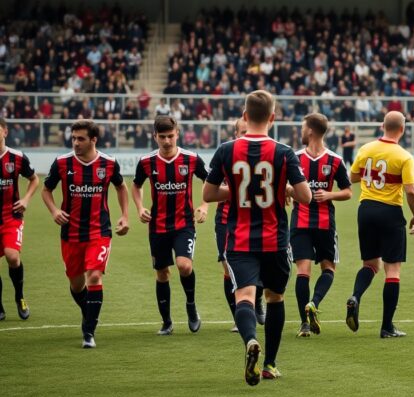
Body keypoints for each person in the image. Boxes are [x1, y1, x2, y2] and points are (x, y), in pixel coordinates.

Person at [203, 90, 311, 385]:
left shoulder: (226, 150)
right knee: (275, 297)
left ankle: (250, 339)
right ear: (273, 118)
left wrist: (239, 192)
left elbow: (208, 193)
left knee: (245, 298)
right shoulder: (284, 152)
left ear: (245, 116)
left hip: (238, 239)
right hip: (275, 238)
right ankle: (270, 364)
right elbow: (306, 196)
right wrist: (285, 189)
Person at [41, 120, 130, 348]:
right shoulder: (62, 163)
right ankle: (88, 311)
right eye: (73, 138)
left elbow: (121, 186)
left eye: (80, 139)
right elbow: (46, 189)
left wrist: (124, 215)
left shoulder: (108, 163)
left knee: (94, 277)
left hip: (99, 231)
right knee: (76, 284)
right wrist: (54, 211)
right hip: (70, 234)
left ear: (93, 140)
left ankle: (88, 332)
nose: (75, 143)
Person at [131, 116, 209, 336]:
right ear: (155, 136)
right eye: (162, 136)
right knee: (162, 273)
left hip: (184, 224)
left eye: (170, 136)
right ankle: (166, 321)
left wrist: (204, 205)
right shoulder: (147, 162)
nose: (166, 141)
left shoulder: (191, 158)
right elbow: (136, 186)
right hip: (157, 226)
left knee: (184, 265)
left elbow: (209, 181)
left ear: (178, 133)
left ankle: (191, 306)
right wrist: (139, 208)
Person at [345, 111, 414, 338]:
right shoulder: (404, 156)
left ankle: (356, 296)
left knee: (370, 264)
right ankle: (387, 326)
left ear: (382, 126)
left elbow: (353, 176)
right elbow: (411, 191)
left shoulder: (366, 149)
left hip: (366, 209)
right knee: (392, 270)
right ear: (403, 129)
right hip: (390, 211)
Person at [291, 113, 352, 337]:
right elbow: (287, 187)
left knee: (303, 271)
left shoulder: (334, 160)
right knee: (327, 269)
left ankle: (304, 323)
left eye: (302, 127)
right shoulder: (295, 157)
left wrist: (328, 195)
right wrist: (292, 192)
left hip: (317, 223)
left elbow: (347, 191)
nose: (300, 131)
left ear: (311, 132)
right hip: (309, 223)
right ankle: (314, 303)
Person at [216, 118, 266, 333]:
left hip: (257, 217)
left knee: (261, 264)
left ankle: (258, 300)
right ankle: (239, 316)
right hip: (227, 218)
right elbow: (212, 187)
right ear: (236, 133)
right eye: (243, 132)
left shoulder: (264, 154)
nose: (247, 135)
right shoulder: (227, 154)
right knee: (228, 267)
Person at [0, 117, 39, 321]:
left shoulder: (16, 157)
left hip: (11, 215)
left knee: (12, 257)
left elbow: (34, 179)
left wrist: (25, 199)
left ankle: (19, 296)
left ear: (5, 131)